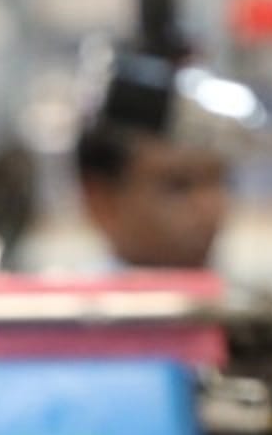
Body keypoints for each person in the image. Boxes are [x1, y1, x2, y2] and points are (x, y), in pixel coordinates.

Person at [71, 46, 244, 272]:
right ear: (101, 201)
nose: (210, 209)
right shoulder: (71, 293)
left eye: (220, 181)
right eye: (178, 186)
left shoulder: (238, 291)